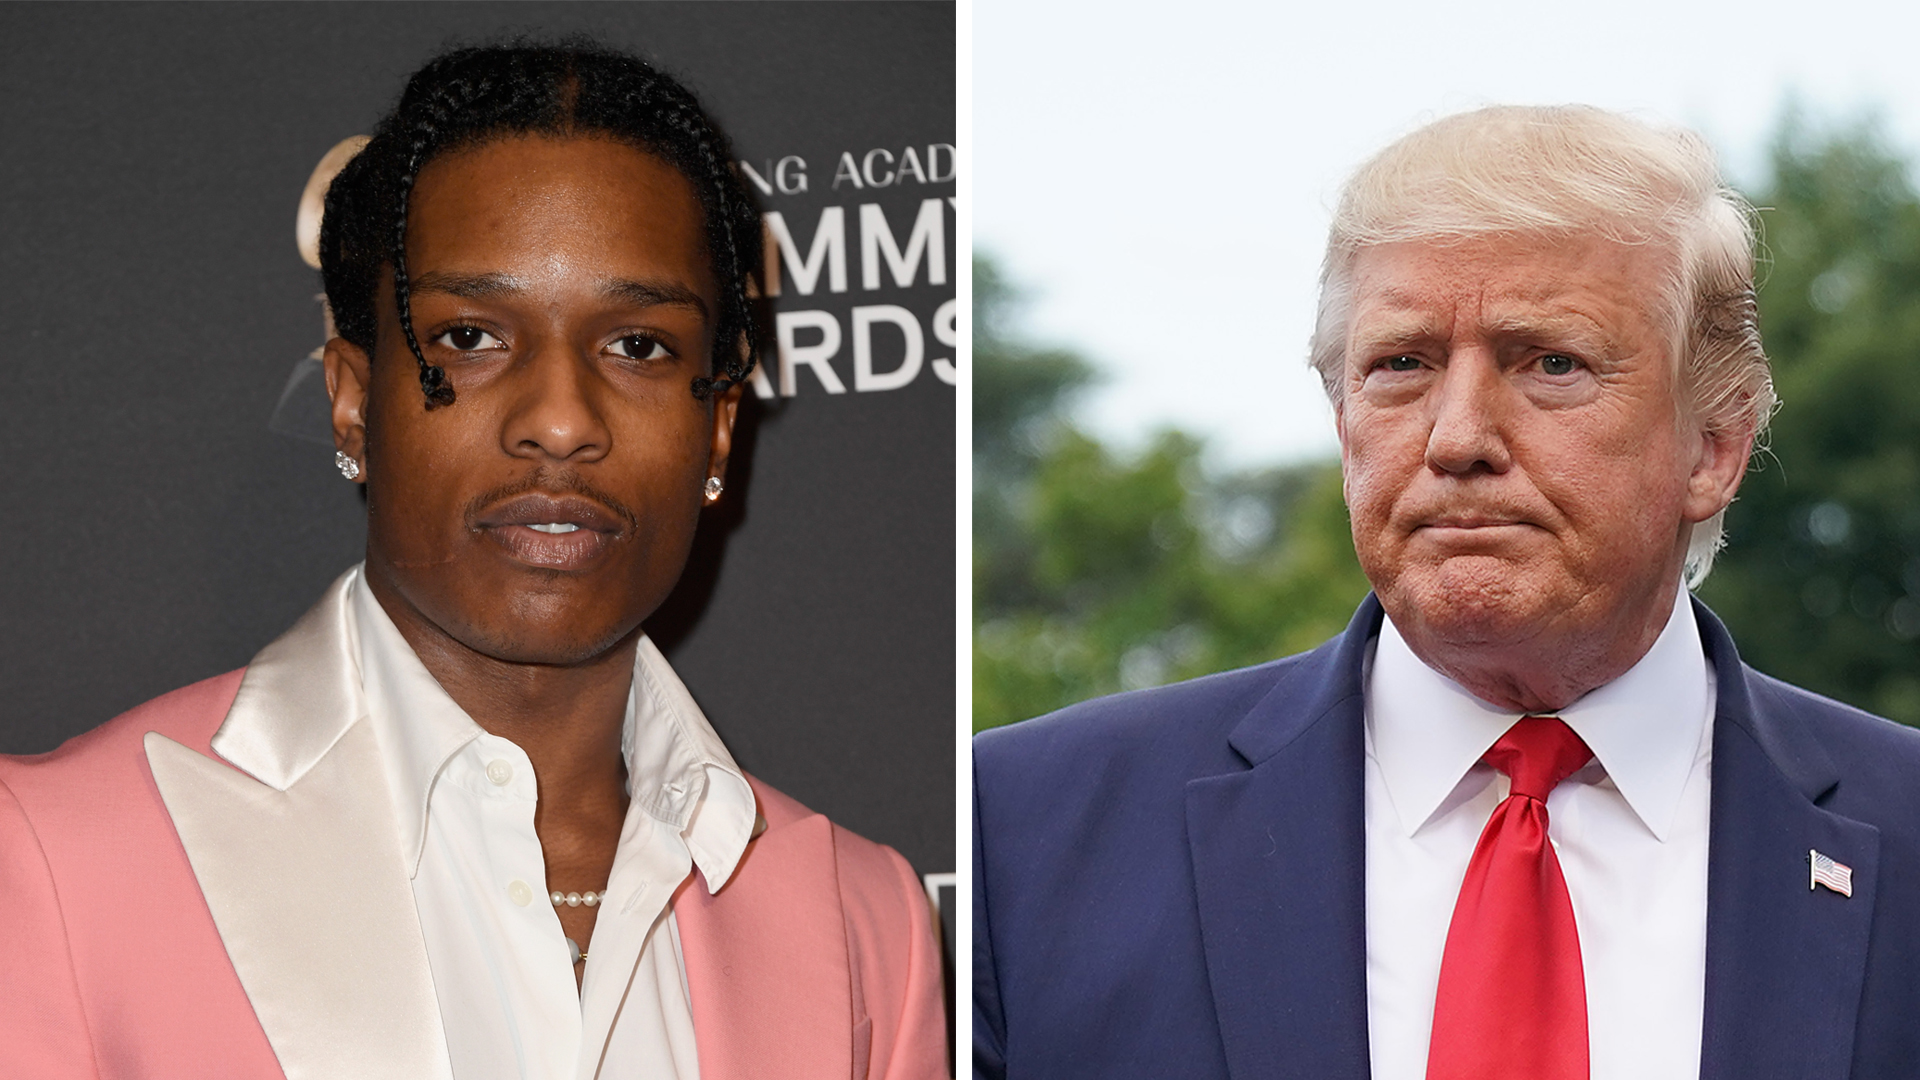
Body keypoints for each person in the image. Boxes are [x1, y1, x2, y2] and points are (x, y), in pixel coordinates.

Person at [0, 43, 946, 1080]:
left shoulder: (869, 927)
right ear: (353, 400)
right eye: (469, 337)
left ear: (719, 428)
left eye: (638, 346)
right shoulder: (48, 857)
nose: (560, 422)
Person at [972, 105, 1920, 1080]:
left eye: (1551, 363)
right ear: (1342, 423)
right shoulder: (1017, 836)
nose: (1457, 436)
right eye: (1402, 366)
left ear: (1714, 446)